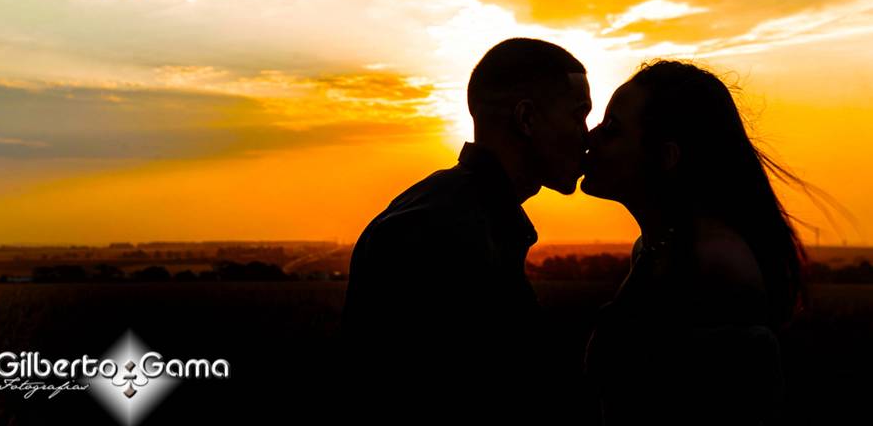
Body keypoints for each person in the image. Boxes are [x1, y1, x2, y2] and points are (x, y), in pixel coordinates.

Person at [340, 37, 591, 412]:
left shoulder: (460, 214)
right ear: (527, 119)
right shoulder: (433, 232)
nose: (587, 136)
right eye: (578, 115)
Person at [580, 60, 808, 426]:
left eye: (612, 129)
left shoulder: (715, 266)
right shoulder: (657, 247)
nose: (589, 138)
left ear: (666, 157)